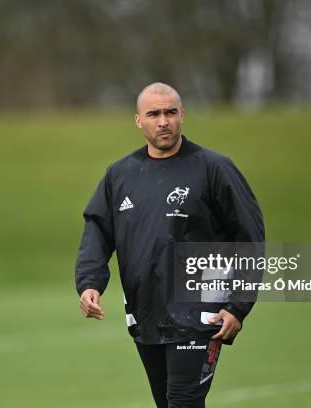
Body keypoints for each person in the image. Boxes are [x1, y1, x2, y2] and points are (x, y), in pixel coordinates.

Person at [75, 83, 264, 407]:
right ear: (139, 121)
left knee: (182, 402)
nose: (163, 121)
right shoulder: (120, 174)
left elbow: (250, 238)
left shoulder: (214, 167)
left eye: (170, 112)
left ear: (182, 116)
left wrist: (238, 305)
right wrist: (90, 283)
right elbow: (97, 231)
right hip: (146, 311)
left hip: (201, 312)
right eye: (154, 114)